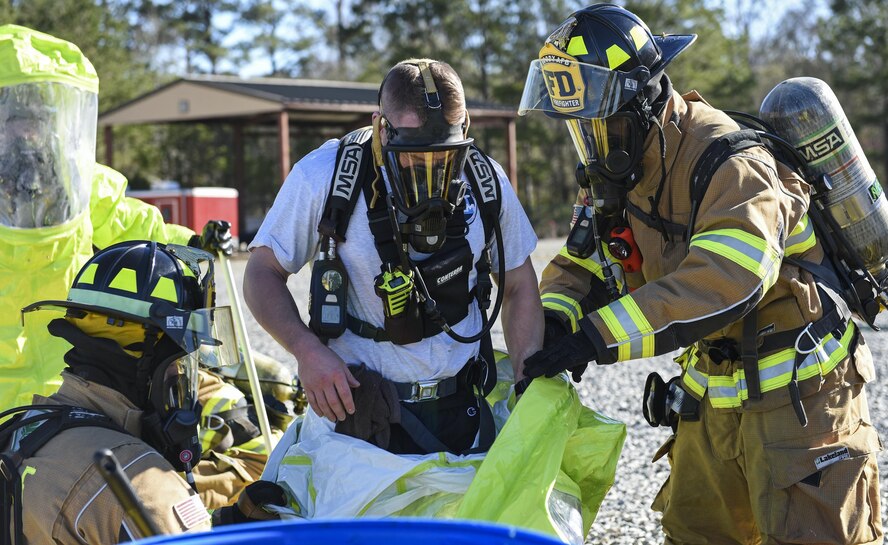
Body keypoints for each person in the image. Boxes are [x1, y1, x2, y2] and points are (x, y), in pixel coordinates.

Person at [519, 5, 882, 544]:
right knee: (696, 535)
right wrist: (553, 320)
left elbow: (726, 278)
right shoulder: (620, 170)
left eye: (602, 122)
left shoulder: (731, 162)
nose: (592, 139)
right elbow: (585, 259)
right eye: (581, 126)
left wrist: (595, 338)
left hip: (802, 396)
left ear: (643, 103)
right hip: (711, 390)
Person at [244, 58, 541, 457]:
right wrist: (307, 351)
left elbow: (520, 284)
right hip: (358, 419)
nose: (430, 171)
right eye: (413, 155)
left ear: (464, 129)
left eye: (445, 157)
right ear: (381, 129)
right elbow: (262, 272)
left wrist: (528, 383)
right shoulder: (325, 177)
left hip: (465, 413)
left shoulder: (486, 180)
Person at [1, 241, 222, 543]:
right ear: (147, 360)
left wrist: (228, 521)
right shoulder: (141, 478)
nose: (182, 376)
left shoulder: (25, 432)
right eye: (180, 363)